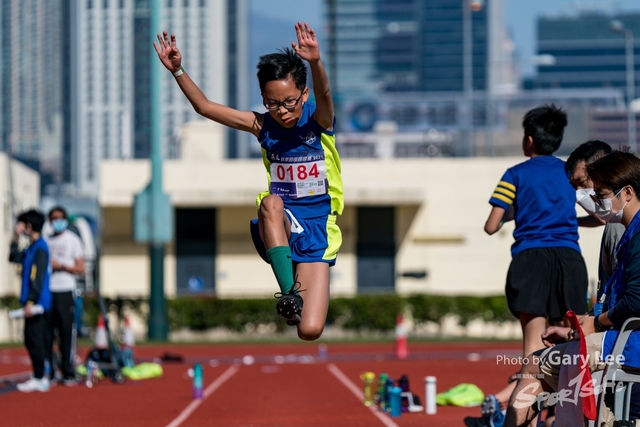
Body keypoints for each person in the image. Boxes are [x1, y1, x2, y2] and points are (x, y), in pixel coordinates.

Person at [154, 22, 343, 341]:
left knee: (309, 330)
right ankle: (288, 294)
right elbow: (205, 107)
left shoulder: (318, 121)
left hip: (318, 226)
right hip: (280, 221)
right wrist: (177, 70)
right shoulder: (261, 125)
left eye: (289, 102)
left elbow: (324, 93)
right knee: (270, 202)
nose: (281, 111)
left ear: (303, 94)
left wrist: (315, 62)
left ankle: (296, 298)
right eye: (272, 103)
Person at [504, 150, 640, 427]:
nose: (595, 202)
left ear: (626, 193)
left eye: (600, 194)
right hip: (618, 341)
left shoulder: (634, 235)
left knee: (536, 365)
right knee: (542, 363)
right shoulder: (628, 233)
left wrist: (595, 322)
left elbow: (636, 300)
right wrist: (575, 329)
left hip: (628, 347)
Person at [478, 105, 589, 427]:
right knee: (567, 347)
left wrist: (522, 214)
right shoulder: (570, 172)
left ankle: (520, 421)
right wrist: (565, 220)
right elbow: (595, 216)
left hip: (530, 260)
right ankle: (555, 419)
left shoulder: (515, 174)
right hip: (569, 260)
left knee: (532, 354)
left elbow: (491, 225)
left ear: (529, 140)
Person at [9, 210, 52, 393]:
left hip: (37, 304)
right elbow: (13, 257)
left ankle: (41, 376)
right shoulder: (31, 248)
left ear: (29, 226)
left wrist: (31, 302)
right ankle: (38, 374)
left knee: (35, 340)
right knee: (30, 339)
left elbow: (38, 277)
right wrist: (15, 237)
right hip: (31, 301)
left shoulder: (40, 248)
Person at [44, 206, 84, 385]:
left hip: (65, 291)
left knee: (66, 332)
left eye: (60, 218)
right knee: (47, 333)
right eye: (54, 218)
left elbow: (80, 268)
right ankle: (50, 371)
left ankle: (68, 371)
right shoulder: (46, 241)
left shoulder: (73, 240)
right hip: (48, 291)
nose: (57, 221)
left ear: (65, 220)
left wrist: (61, 266)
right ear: (50, 221)